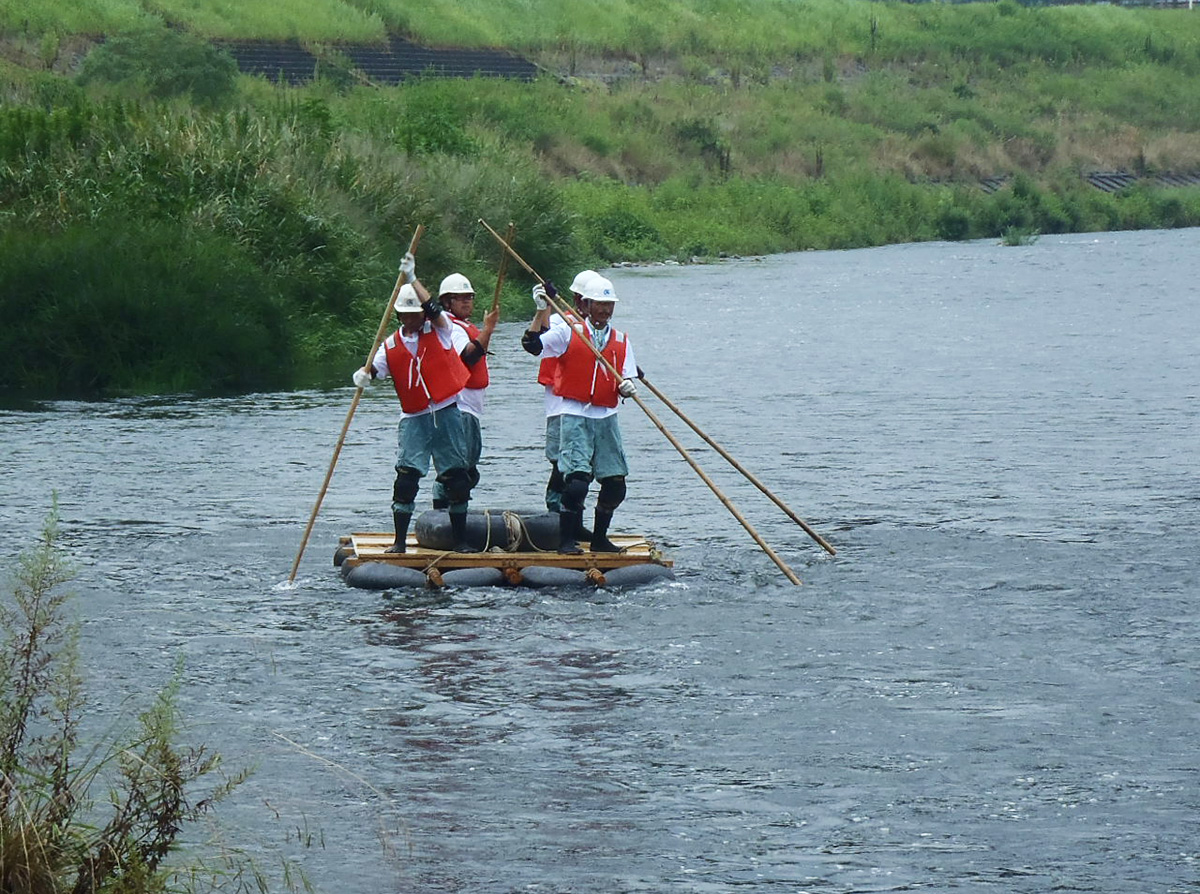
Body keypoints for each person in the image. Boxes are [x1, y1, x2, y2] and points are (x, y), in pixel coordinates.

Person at [352, 254, 478, 554]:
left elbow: (435, 308)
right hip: (414, 419)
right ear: (398, 316)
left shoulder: (441, 330)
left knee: (456, 479)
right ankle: (399, 542)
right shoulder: (390, 345)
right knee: (406, 480)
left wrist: (412, 278)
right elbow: (376, 371)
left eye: (414, 314)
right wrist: (364, 374)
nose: (410, 319)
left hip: (446, 412)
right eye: (405, 315)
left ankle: (459, 540)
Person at [521, 274, 638, 554]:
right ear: (586, 304)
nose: (605, 311)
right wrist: (540, 310)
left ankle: (599, 537)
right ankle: (565, 541)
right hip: (574, 414)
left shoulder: (621, 339)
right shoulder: (568, 331)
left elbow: (627, 374)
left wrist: (625, 387)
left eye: (609, 305)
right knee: (575, 483)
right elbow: (532, 346)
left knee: (615, 485)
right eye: (599, 305)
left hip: (606, 417)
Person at [522, 270, 597, 522]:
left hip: (590, 409)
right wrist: (543, 308)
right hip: (561, 407)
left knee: (583, 470)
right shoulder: (561, 323)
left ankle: (574, 521)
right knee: (562, 466)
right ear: (578, 300)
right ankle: (556, 519)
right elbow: (536, 341)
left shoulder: (599, 329)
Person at [431, 273, 499, 509]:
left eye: (469, 297)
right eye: (460, 299)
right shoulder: (450, 327)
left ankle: (449, 513)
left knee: (467, 468)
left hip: (470, 407)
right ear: (447, 302)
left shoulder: (463, 327)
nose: (467, 302)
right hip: (460, 406)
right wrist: (488, 330)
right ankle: (443, 517)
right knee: (459, 471)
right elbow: (467, 356)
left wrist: (486, 331)